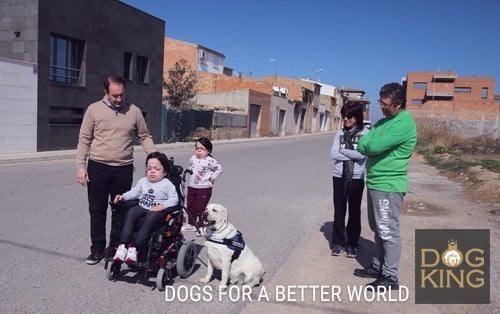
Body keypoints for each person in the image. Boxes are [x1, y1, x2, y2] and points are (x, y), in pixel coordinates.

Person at [76, 74, 157, 265]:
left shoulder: (134, 111)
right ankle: (97, 249)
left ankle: (114, 248)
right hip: (98, 167)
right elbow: (84, 139)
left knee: (120, 210)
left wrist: (154, 156)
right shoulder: (94, 110)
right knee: (97, 211)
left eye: (121, 94)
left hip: (123, 169)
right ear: (106, 93)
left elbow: (144, 136)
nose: (119, 99)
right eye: (115, 95)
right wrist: (81, 166)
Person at [354, 82, 417, 290]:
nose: (382, 107)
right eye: (380, 102)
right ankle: (378, 266)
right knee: (377, 228)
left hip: (389, 185)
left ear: (398, 103)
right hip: (375, 182)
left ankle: (390, 276)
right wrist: (370, 145)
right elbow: (364, 143)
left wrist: (371, 145)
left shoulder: (404, 122)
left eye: (386, 104)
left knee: (387, 230)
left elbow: (374, 145)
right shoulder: (382, 123)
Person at [113, 152, 179, 263]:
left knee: (152, 215)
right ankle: (122, 246)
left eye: (157, 169)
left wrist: (162, 206)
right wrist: (123, 197)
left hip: (157, 211)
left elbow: (174, 199)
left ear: (165, 172)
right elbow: (134, 192)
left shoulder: (167, 184)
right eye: (149, 169)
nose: (152, 171)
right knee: (132, 211)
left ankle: (135, 247)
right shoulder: (143, 181)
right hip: (143, 206)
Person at [330, 102, 368, 258]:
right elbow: (333, 154)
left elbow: (362, 155)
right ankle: (338, 243)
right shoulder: (338, 134)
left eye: (349, 116)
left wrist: (344, 150)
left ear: (357, 117)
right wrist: (351, 153)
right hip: (339, 176)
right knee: (339, 211)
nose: (346, 119)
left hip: (357, 177)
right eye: (344, 116)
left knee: (354, 212)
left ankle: (352, 244)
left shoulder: (365, 134)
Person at [182, 137, 222, 236]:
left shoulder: (210, 161)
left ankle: (202, 226)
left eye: (202, 149)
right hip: (192, 186)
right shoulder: (192, 158)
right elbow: (190, 169)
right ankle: (191, 224)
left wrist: (213, 177)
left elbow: (219, 169)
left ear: (208, 150)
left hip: (204, 188)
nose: (199, 151)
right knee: (191, 206)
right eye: (197, 148)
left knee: (200, 208)